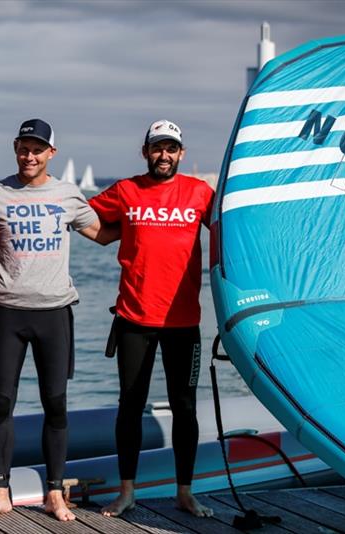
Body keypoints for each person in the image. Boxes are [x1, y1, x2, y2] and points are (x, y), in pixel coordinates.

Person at [0, 119, 115, 522]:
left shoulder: (68, 194)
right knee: (2, 403)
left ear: (51, 153)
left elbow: (103, 235)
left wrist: (152, 221)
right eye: (23, 147)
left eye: (38, 149)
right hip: (6, 311)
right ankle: (0, 490)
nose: (30, 156)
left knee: (56, 403)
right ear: (15, 148)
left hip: (55, 312)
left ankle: (55, 492)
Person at [88, 120, 215, 518]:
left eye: (171, 148)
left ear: (182, 154)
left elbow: (236, 226)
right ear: (145, 152)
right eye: (157, 148)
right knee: (131, 405)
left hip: (183, 320)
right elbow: (83, 217)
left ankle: (185, 492)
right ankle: (127, 492)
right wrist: (107, 236)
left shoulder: (199, 192)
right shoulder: (126, 190)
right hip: (134, 317)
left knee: (186, 407)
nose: (164, 155)